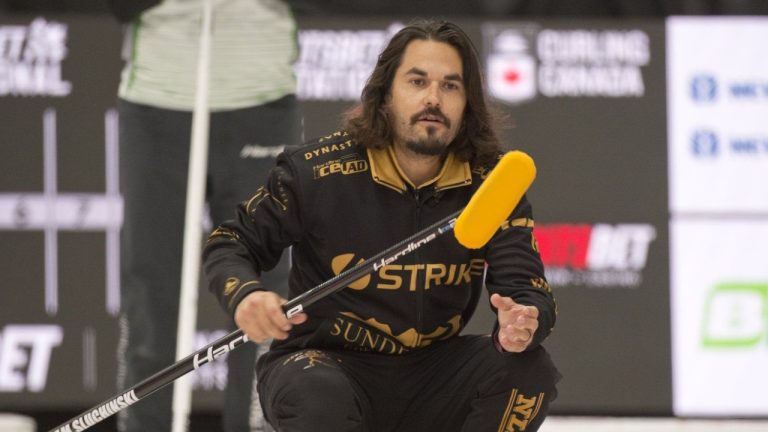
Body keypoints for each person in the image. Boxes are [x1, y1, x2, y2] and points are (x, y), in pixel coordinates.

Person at [204, 19, 560, 432]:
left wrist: (523, 322)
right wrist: (245, 295)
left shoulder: (492, 183)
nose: (433, 98)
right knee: (317, 393)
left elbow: (526, 288)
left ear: (468, 103)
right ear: (386, 93)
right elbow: (231, 241)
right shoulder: (316, 171)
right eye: (417, 81)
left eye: (450, 86)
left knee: (528, 370)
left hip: (433, 376)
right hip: (327, 365)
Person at [107, 0, 302, 431]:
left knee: (264, 288)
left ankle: (257, 424)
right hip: (158, 102)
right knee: (152, 285)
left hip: (262, 100)